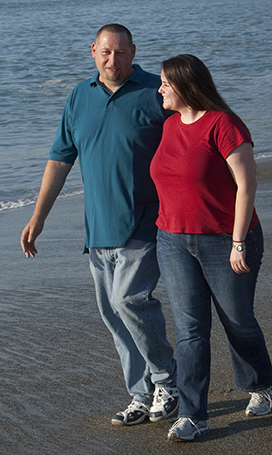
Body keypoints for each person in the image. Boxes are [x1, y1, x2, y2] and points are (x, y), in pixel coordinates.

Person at [20, 24, 178, 427]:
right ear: (93, 51)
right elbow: (60, 159)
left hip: (145, 222)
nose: (113, 60)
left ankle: (168, 382)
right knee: (113, 314)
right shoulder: (79, 96)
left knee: (130, 301)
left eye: (121, 53)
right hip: (98, 229)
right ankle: (140, 395)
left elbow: (194, 133)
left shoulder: (155, 91)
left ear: (133, 51)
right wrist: (38, 217)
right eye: (106, 53)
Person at [150, 54, 272, 442]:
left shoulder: (224, 125)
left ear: (185, 86)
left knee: (237, 321)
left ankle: (260, 384)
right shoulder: (170, 126)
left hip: (226, 241)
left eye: (166, 85)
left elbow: (247, 186)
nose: (160, 90)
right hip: (172, 240)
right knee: (190, 330)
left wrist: (238, 242)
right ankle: (192, 415)